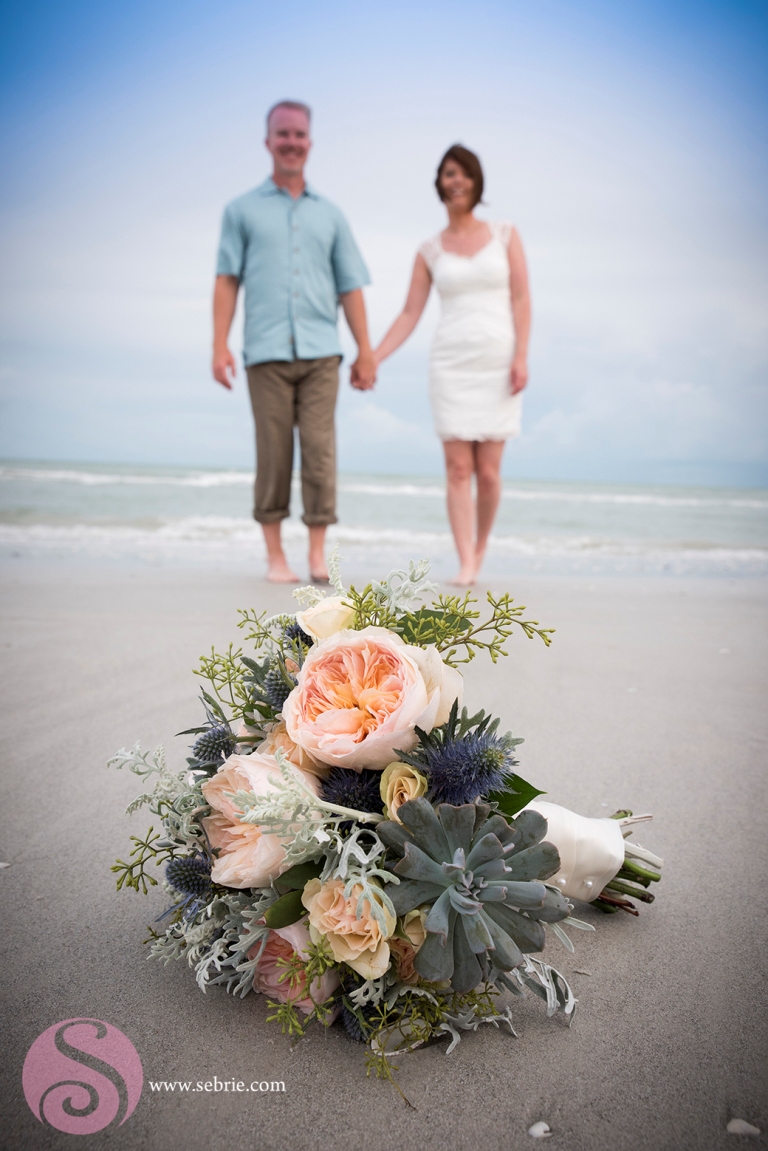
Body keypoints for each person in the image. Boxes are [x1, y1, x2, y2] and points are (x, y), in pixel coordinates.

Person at [212, 100, 376, 583]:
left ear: (310, 142)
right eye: (282, 134)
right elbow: (226, 281)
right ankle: (275, 557)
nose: (291, 142)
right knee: (274, 453)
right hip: (265, 354)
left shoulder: (331, 215)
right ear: (268, 141)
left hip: (323, 351)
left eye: (299, 134)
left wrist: (366, 349)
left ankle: (317, 555)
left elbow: (351, 286)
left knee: (321, 452)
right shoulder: (240, 211)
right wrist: (219, 344)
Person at [374, 144, 530, 585]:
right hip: (451, 364)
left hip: (498, 361)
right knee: (459, 469)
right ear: (439, 184)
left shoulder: (504, 234)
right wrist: (374, 356)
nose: (455, 181)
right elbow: (409, 313)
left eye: (463, 173)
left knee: (489, 472)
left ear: (476, 180)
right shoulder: (429, 249)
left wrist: (521, 355)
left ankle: (481, 549)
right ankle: (465, 561)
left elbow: (521, 298)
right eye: (447, 174)